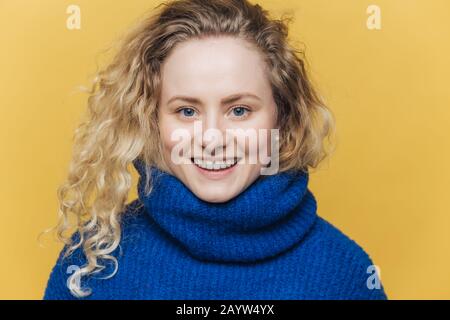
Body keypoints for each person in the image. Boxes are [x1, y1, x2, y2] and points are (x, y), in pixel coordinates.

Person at [43, 0, 387, 299]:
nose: (212, 138)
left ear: (281, 118)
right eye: (187, 111)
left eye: (239, 110)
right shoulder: (91, 261)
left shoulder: (345, 274)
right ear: (151, 120)